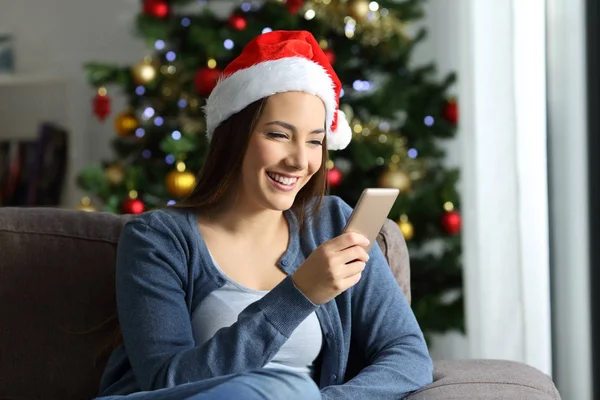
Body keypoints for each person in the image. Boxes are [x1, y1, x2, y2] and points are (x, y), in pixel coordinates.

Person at [96, 30, 433, 400]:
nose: (300, 161)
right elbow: (167, 384)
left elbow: (409, 356)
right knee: (284, 386)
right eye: (278, 135)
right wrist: (299, 294)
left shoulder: (332, 224)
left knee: (293, 389)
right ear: (235, 136)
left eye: (315, 141)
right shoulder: (158, 239)